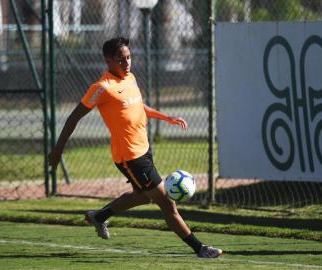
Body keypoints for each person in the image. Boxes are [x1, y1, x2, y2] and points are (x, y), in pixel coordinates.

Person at [48, 37, 223, 258]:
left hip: (144, 150)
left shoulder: (130, 78)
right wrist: (58, 150)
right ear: (108, 60)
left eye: (129, 57)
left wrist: (166, 117)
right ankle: (200, 248)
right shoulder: (102, 87)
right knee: (167, 203)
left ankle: (99, 217)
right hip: (130, 156)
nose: (127, 63)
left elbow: (138, 106)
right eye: (121, 60)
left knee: (143, 196)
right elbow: (73, 118)